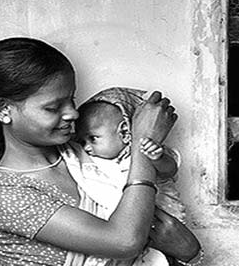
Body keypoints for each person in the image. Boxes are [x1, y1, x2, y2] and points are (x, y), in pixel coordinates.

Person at [0, 37, 200, 266]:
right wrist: (143, 141)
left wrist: (190, 254)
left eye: (72, 99)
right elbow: (124, 241)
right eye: (53, 107)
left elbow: (162, 186)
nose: (73, 113)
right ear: (2, 110)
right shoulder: (1, 193)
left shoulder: (87, 150)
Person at [75, 87, 187, 222]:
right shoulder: (93, 162)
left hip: (165, 221)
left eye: (93, 138)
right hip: (126, 224)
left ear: (124, 133)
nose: (86, 147)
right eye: (82, 141)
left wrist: (158, 158)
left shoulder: (147, 148)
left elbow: (169, 171)